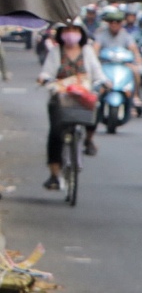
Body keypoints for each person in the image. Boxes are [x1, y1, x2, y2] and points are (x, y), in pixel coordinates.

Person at [36, 22, 102, 187]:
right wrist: (44, 78)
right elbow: (47, 72)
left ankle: (89, 139)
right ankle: (54, 174)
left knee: (97, 107)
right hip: (61, 97)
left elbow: (97, 72)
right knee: (56, 133)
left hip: (83, 97)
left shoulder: (87, 52)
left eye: (74, 30)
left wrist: (103, 83)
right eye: (67, 30)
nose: (71, 33)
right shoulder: (55, 52)